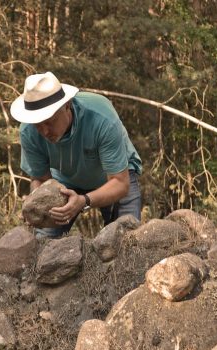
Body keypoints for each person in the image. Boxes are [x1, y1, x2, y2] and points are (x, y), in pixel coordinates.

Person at [10, 71, 142, 238]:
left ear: (67, 105)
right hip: (64, 181)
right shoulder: (28, 132)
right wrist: (35, 204)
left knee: (126, 242)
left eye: (49, 122)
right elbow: (41, 180)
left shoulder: (101, 119)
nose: (44, 131)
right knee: (43, 245)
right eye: (37, 125)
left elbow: (121, 183)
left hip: (115, 177)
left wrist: (83, 201)